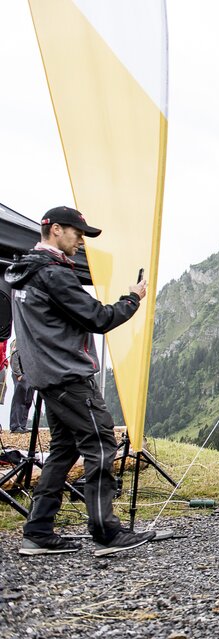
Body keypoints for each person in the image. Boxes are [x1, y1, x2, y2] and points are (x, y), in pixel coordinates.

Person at [7, 206, 155, 556]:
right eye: (77, 234)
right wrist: (132, 299)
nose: (80, 242)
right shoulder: (53, 275)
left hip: (45, 376)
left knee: (63, 450)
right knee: (102, 444)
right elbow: (98, 318)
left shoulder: (24, 271)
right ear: (56, 230)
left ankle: (38, 531)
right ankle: (106, 532)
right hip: (69, 376)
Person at [8, 338, 36, 433]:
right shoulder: (17, 341)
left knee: (28, 400)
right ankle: (15, 425)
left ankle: (23, 425)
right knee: (19, 400)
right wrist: (18, 374)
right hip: (21, 374)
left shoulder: (30, 339)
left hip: (31, 374)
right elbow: (14, 358)